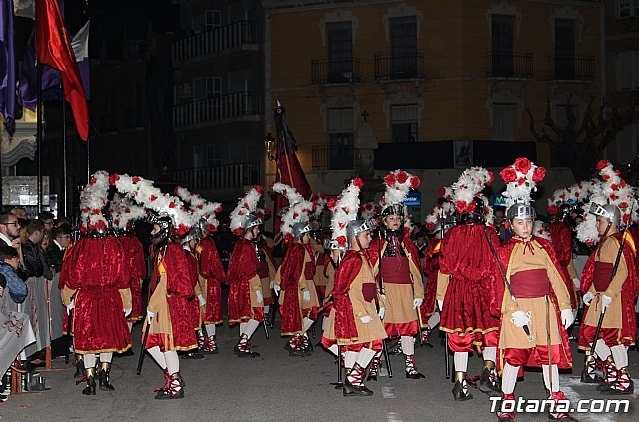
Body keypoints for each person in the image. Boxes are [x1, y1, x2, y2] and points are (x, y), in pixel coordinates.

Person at [492, 158, 575, 421]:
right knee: (514, 357)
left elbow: (556, 276)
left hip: (543, 308)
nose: (525, 226)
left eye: (528, 221)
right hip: (519, 309)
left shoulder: (543, 246)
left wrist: (565, 306)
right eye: (520, 222)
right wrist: (512, 310)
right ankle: (507, 400)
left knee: (550, 355)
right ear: (511, 224)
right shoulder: (505, 251)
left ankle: (556, 400)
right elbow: (498, 285)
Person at [437, 166, 500, 400]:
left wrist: (441, 297)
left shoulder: (452, 235)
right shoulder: (489, 233)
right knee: (490, 332)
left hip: (459, 291)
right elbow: (496, 265)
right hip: (484, 290)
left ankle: (460, 382)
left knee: (460, 337)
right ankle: (488, 370)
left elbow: (444, 267)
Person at [368, 170, 425, 379]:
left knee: (408, 330)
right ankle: (374, 364)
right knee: (381, 330)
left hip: (405, 293)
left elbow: (415, 271)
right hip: (385, 293)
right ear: (383, 221)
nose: (395, 221)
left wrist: (418, 293)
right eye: (391, 218)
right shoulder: (378, 244)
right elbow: (370, 272)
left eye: (398, 218)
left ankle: (410, 366)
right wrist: (375, 294)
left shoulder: (407, 243)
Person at [578, 203, 638, 394]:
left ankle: (624, 379)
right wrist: (591, 291)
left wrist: (609, 295)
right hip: (599, 296)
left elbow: (621, 272)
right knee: (589, 334)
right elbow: (601, 274)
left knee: (613, 338)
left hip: (612, 298)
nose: (597, 225)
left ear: (611, 222)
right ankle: (611, 369)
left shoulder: (616, 243)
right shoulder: (605, 243)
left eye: (600, 221)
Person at [333, 218, 387, 396]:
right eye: (366, 235)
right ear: (355, 237)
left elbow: (369, 282)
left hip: (367, 305)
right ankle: (353, 379)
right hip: (359, 308)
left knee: (355, 345)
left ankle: (351, 381)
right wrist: (362, 312)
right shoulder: (354, 258)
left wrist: (379, 302)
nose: (370, 238)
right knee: (375, 342)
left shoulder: (360, 256)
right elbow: (352, 288)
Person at [272, 182, 320, 356]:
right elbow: (294, 270)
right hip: (302, 286)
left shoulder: (303, 248)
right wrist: (304, 288)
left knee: (309, 315)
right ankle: (296, 340)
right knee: (311, 314)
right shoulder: (297, 249)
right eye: (307, 234)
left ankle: (299, 340)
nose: (309, 237)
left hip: (308, 284)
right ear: (300, 235)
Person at [227, 186, 265, 358]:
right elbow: (249, 268)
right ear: (250, 228)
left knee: (246, 316)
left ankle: (244, 345)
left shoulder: (241, 244)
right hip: (250, 283)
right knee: (257, 314)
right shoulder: (247, 245)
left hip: (244, 283)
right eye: (256, 228)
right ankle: (243, 341)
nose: (258, 231)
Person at [0, 246, 35, 403]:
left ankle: (5, 382)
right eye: (16, 258)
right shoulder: (5, 270)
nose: (18, 261)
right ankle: (4, 384)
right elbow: (21, 290)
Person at [196, 217, 226, 354]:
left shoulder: (204, 243)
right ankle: (206, 340)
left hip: (206, 281)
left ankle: (210, 342)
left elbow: (205, 267)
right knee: (205, 313)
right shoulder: (207, 242)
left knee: (206, 313)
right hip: (208, 281)